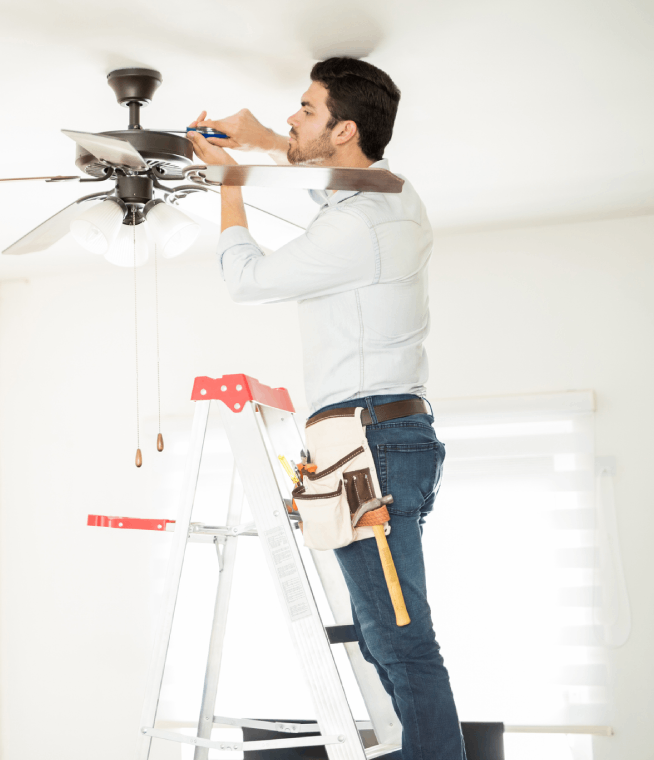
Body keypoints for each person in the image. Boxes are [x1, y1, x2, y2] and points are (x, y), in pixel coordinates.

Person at [187, 57, 466, 760]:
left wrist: (231, 183)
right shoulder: (388, 197)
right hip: (377, 437)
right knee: (385, 638)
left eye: (306, 109)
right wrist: (260, 139)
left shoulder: (357, 227)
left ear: (344, 129)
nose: (292, 116)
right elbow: (327, 177)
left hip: (368, 442)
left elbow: (247, 279)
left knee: (400, 641)